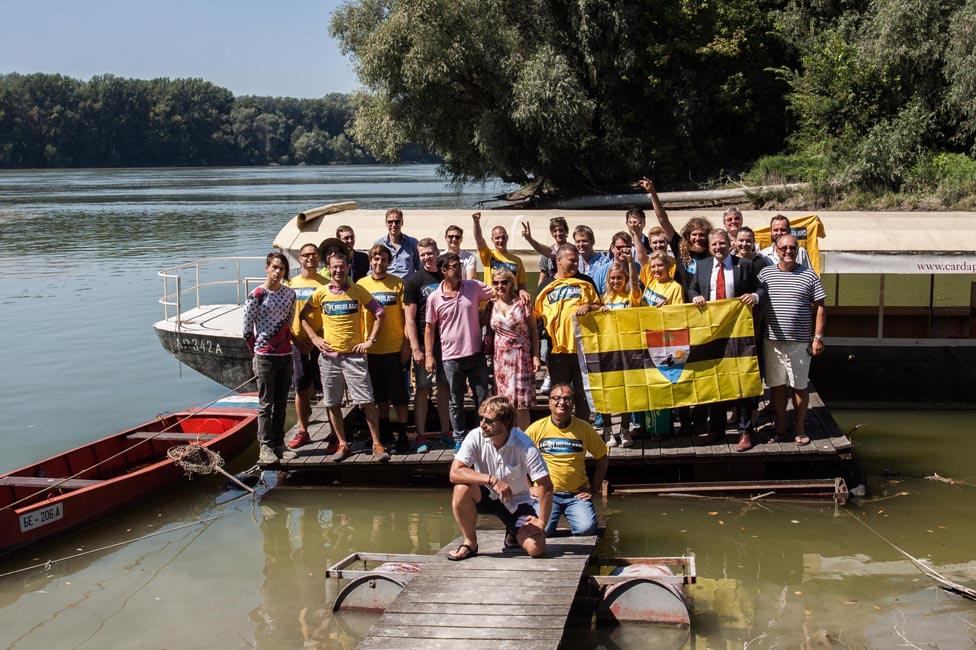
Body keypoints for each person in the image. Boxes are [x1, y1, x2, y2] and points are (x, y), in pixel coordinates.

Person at [301, 251, 389, 463]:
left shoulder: (358, 291)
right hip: (329, 358)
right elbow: (303, 316)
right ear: (329, 269)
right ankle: (342, 444)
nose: (338, 270)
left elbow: (379, 313)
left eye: (342, 266)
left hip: (354, 358)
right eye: (334, 267)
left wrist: (371, 341)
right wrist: (314, 338)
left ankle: (377, 444)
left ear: (348, 267)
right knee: (332, 403)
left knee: (367, 401)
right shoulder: (321, 293)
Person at [448, 396, 553, 560]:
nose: (482, 424)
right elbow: (455, 473)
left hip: (516, 501)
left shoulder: (524, 443)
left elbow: (545, 485)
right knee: (461, 488)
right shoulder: (476, 435)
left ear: (505, 423)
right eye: (481, 418)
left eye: (489, 421)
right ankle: (470, 543)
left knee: (536, 548)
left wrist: (541, 523)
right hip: (486, 495)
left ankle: (513, 532)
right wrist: (492, 480)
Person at [688, 229, 762, 450]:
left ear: (729, 244)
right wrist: (695, 296)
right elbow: (691, 289)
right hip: (711, 335)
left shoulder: (745, 265)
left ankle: (745, 432)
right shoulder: (702, 266)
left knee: (741, 382)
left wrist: (755, 296)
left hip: (737, 334)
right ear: (709, 247)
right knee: (715, 381)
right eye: (714, 245)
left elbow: (760, 288)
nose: (718, 247)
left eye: (721, 243)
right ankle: (717, 430)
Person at [758, 234, 826, 446]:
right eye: (783, 248)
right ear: (775, 250)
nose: (788, 251)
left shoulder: (809, 275)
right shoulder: (765, 274)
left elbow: (820, 306)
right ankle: (780, 425)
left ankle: (799, 427)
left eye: (792, 248)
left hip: (799, 342)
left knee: (799, 386)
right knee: (777, 386)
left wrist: (818, 337)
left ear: (797, 250)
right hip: (772, 341)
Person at [425, 252, 494, 450]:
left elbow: (497, 290)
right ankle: (460, 439)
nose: (459, 271)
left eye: (459, 266)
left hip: (475, 353)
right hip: (450, 357)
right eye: (454, 267)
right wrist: (429, 355)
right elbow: (430, 328)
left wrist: (519, 292)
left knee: (482, 397)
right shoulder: (434, 298)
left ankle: (484, 435)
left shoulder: (472, 287)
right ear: (444, 271)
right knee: (456, 401)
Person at [526, 383, 608, 537]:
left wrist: (594, 489)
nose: (562, 402)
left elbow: (603, 458)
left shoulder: (584, 428)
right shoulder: (536, 429)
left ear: (573, 403)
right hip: (547, 493)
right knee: (542, 530)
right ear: (549, 402)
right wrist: (529, 487)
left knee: (586, 529)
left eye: (567, 399)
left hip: (576, 494)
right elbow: (517, 459)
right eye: (556, 398)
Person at [534, 244, 602, 420]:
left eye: (577, 260)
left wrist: (589, 306)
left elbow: (601, 307)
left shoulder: (586, 282)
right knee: (558, 394)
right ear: (558, 260)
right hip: (557, 351)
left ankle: (583, 429)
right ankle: (559, 428)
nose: (575, 264)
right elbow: (535, 318)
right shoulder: (545, 286)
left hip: (583, 349)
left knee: (582, 393)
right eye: (571, 260)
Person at [243, 252, 298, 464]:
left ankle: (279, 443)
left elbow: (290, 323)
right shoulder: (256, 295)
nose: (278, 272)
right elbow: (247, 331)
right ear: (267, 268)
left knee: (282, 403)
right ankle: (265, 447)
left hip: (285, 354)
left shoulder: (290, 294)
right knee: (266, 404)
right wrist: (258, 352)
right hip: (265, 356)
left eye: (282, 269)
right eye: (274, 267)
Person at [357, 244, 412, 453]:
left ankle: (403, 434)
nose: (378, 263)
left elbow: (407, 317)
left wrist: (406, 345)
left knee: (399, 396)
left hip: (394, 348)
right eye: (375, 259)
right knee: (378, 396)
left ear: (389, 262)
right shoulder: (361, 284)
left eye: (382, 259)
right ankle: (385, 431)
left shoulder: (398, 284)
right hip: (370, 350)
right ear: (371, 261)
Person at [403, 238, 452, 451]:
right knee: (422, 388)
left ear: (437, 252)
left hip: (449, 342)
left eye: (430, 253)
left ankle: (446, 431)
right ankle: (421, 435)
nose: (427, 257)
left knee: (444, 387)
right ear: (418, 255)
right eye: (423, 254)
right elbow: (410, 319)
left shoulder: (446, 275)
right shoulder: (413, 281)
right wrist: (415, 347)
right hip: (425, 344)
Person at [285, 243, 327, 450]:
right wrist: (296, 339)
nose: (310, 258)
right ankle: (303, 430)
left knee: (325, 387)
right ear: (300, 259)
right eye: (306, 255)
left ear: (319, 258)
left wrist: (318, 338)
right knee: (300, 387)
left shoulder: (326, 283)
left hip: (321, 341)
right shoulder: (291, 284)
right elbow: (284, 316)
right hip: (296, 341)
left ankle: (335, 434)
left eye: (313, 255)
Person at [488, 268, 541, 430]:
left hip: (520, 356)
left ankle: (525, 440)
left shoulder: (522, 303)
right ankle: (508, 438)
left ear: (511, 282)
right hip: (501, 359)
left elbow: (534, 331)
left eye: (504, 282)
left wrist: (536, 356)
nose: (500, 286)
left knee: (521, 404)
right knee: (504, 403)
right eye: (496, 283)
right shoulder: (491, 303)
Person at [637, 178, 711, 292]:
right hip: (682, 304)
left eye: (701, 235)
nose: (697, 238)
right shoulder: (680, 247)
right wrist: (652, 193)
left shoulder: (712, 253)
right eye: (694, 235)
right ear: (688, 235)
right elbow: (662, 219)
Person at [597, 259, 642, 447]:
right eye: (613, 278)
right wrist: (597, 310)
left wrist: (630, 264)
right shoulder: (602, 299)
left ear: (625, 279)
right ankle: (608, 431)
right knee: (607, 391)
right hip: (607, 350)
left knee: (625, 392)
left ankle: (624, 430)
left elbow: (636, 287)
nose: (616, 282)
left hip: (627, 350)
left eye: (619, 278)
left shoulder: (631, 296)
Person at [472, 212, 528, 291]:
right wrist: (476, 222)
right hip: (492, 300)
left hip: (510, 301)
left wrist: (523, 294)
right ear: (492, 240)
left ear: (507, 238)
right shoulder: (488, 254)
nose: (500, 240)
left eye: (503, 237)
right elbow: (479, 240)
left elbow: (522, 285)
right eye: (497, 238)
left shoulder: (517, 260)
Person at [375, 208, 420, 278]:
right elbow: (373, 269)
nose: (393, 225)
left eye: (397, 221)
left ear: (402, 222)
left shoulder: (413, 243)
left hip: (407, 285)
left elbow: (420, 268)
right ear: (386, 223)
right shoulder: (379, 244)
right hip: (387, 285)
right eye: (390, 222)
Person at [521, 216, 569, 282]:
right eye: (555, 231)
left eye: (560, 230)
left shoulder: (574, 251)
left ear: (566, 231)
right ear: (552, 233)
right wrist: (529, 239)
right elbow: (542, 278)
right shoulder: (546, 254)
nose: (558, 234)